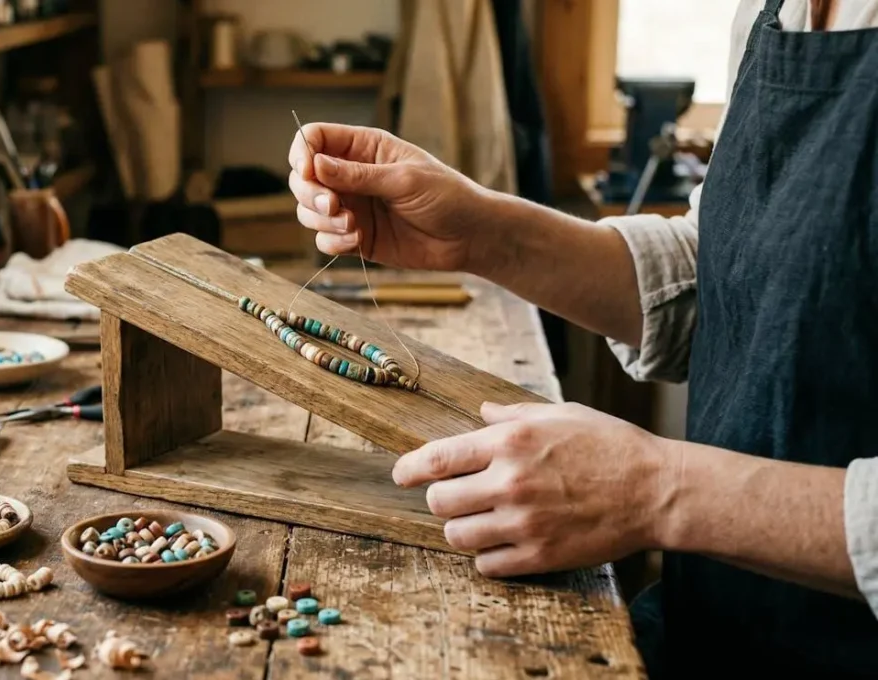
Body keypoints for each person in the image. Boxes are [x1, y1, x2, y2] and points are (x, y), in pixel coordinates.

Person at [286, 0, 878, 676]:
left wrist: (659, 490)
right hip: (720, 631)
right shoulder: (780, 10)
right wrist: (484, 232)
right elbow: (736, 277)